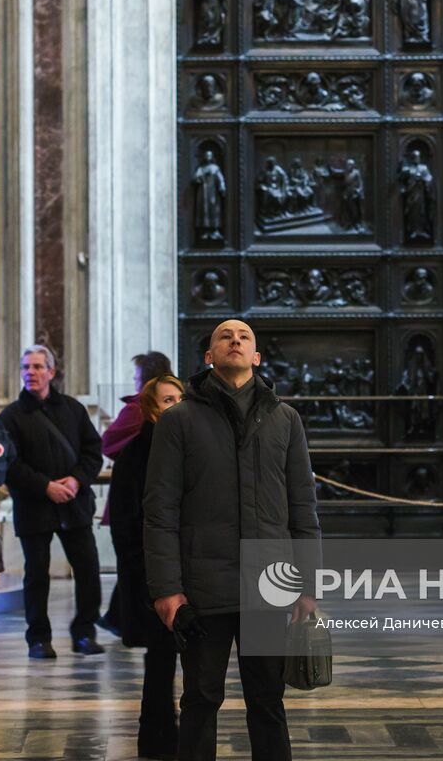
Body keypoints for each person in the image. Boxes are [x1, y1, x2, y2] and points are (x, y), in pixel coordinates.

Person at [144, 319, 322, 761]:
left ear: (257, 357)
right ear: (209, 355)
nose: (235, 341)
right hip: (205, 585)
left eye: (244, 337)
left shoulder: (285, 419)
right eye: (224, 336)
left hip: (269, 583)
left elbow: (303, 505)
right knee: (201, 699)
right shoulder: (178, 421)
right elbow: (160, 509)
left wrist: (309, 585)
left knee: (267, 700)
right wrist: (167, 588)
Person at [0, 345, 105, 659]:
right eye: (25, 367)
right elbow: (10, 465)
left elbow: (92, 451)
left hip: (74, 501)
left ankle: (85, 632)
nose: (30, 373)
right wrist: (45, 487)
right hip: (35, 506)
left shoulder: (72, 408)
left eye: (37, 367)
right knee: (36, 574)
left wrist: (75, 480)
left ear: (51, 372)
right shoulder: (11, 416)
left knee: (87, 569)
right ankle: (38, 638)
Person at [111, 375, 186, 760]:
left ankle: (185, 738)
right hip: (153, 576)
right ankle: (158, 740)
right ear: (151, 408)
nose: (176, 404)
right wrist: (146, 577)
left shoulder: (188, 447)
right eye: (168, 399)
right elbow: (125, 524)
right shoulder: (137, 454)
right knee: (159, 662)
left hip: (191, 571)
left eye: (180, 398)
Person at [100, 351, 176, 633]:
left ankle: (119, 617)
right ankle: (121, 618)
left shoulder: (137, 410)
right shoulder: (137, 438)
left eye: (135, 377)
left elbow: (108, 442)